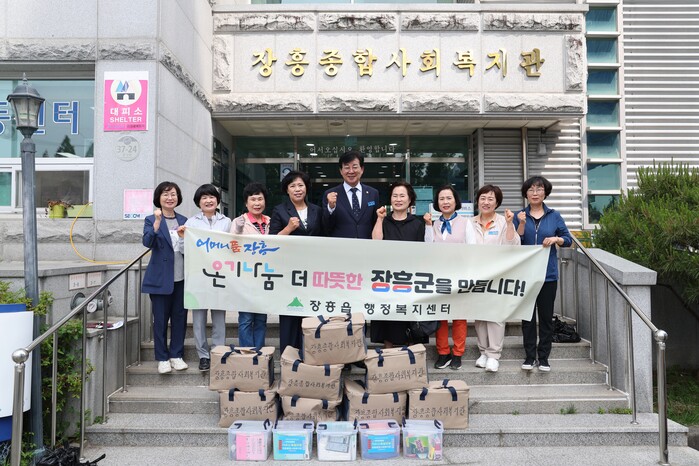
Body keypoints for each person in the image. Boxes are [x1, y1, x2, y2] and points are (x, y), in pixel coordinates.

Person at [513, 176, 573, 372]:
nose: (535, 193)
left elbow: (568, 239)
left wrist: (556, 239)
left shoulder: (554, 216)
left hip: (548, 275)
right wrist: (521, 224)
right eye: (531, 190)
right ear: (526, 193)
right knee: (527, 318)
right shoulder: (519, 216)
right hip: (525, 275)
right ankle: (530, 357)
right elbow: (514, 243)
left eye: (539, 189)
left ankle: (544, 357)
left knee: (546, 318)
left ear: (545, 193)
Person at [176, 184, 231, 372]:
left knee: (219, 317)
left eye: (212, 197)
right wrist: (182, 237)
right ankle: (203, 356)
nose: (208, 200)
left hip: (220, 276)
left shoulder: (226, 222)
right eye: (204, 198)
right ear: (199, 202)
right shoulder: (191, 223)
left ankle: (218, 352)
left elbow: (233, 247)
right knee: (198, 319)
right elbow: (184, 250)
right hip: (198, 276)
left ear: (217, 200)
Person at [370, 181, 431, 348]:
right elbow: (376, 242)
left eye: (402, 196)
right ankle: (388, 357)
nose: (398, 199)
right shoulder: (384, 221)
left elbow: (422, 253)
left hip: (408, 280)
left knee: (409, 322)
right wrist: (380, 219)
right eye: (394, 196)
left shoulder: (417, 224)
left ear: (410, 200)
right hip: (387, 280)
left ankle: (410, 358)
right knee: (388, 322)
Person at [269, 170, 324, 353]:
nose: (297, 189)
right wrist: (288, 228)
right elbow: (272, 241)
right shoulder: (279, 210)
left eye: (301, 185)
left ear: (306, 188)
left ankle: (310, 355)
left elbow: (325, 238)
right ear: (287, 190)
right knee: (290, 314)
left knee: (311, 314)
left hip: (313, 271)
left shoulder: (317, 210)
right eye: (293, 186)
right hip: (289, 271)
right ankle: (289, 356)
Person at [468, 185, 520, 373]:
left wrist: (510, 224)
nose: (486, 202)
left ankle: (494, 355)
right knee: (480, 316)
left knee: (496, 316)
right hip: (476, 276)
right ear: (477, 201)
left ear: (497, 203)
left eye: (490, 199)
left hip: (498, 276)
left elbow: (512, 245)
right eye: (482, 198)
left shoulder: (503, 221)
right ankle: (483, 352)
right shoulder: (470, 222)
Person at [424, 185, 475, 370]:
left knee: (459, 317)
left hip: (460, 276)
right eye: (441, 199)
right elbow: (428, 247)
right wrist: (428, 226)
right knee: (441, 316)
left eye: (449, 198)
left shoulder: (465, 223)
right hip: (439, 278)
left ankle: (458, 353)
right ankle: (443, 352)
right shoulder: (434, 224)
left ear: (455, 201)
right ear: (437, 203)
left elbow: (473, 250)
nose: (445, 202)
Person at [142, 181, 189, 374]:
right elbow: (147, 242)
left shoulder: (184, 220)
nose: (170, 198)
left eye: (173, 194)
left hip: (181, 278)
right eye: (166, 194)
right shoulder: (150, 219)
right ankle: (162, 358)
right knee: (160, 320)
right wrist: (156, 223)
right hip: (160, 279)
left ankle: (176, 355)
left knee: (180, 318)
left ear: (178, 197)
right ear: (158, 198)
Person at [231, 182, 270, 348]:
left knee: (261, 319)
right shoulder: (239, 222)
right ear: (246, 203)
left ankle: (259, 354)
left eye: (260, 199)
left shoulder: (270, 221)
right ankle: (247, 355)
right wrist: (238, 231)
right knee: (246, 319)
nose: (257, 203)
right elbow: (232, 247)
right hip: (246, 277)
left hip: (265, 277)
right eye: (253, 199)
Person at [322, 150, 380, 239]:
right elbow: (325, 227)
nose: (351, 171)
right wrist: (331, 208)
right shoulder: (330, 195)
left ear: (362, 169)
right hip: (342, 246)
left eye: (355, 167)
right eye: (347, 167)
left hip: (366, 245)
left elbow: (376, 222)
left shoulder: (373, 193)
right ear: (341, 171)